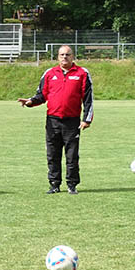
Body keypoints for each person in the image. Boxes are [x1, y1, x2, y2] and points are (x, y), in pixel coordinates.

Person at [18, 45, 93, 195]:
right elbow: (41, 95)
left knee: (72, 155)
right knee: (53, 154)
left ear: (73, 56)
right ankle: (54, 184)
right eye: (61, 55)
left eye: (67, 54)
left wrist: (87, 119)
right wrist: (31, 102)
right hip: (52, 120)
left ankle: (72, 184)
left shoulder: (82, 73)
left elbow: (88, 99)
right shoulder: (49, 73)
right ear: (57, 57)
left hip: (72, 121)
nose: (64, 57)